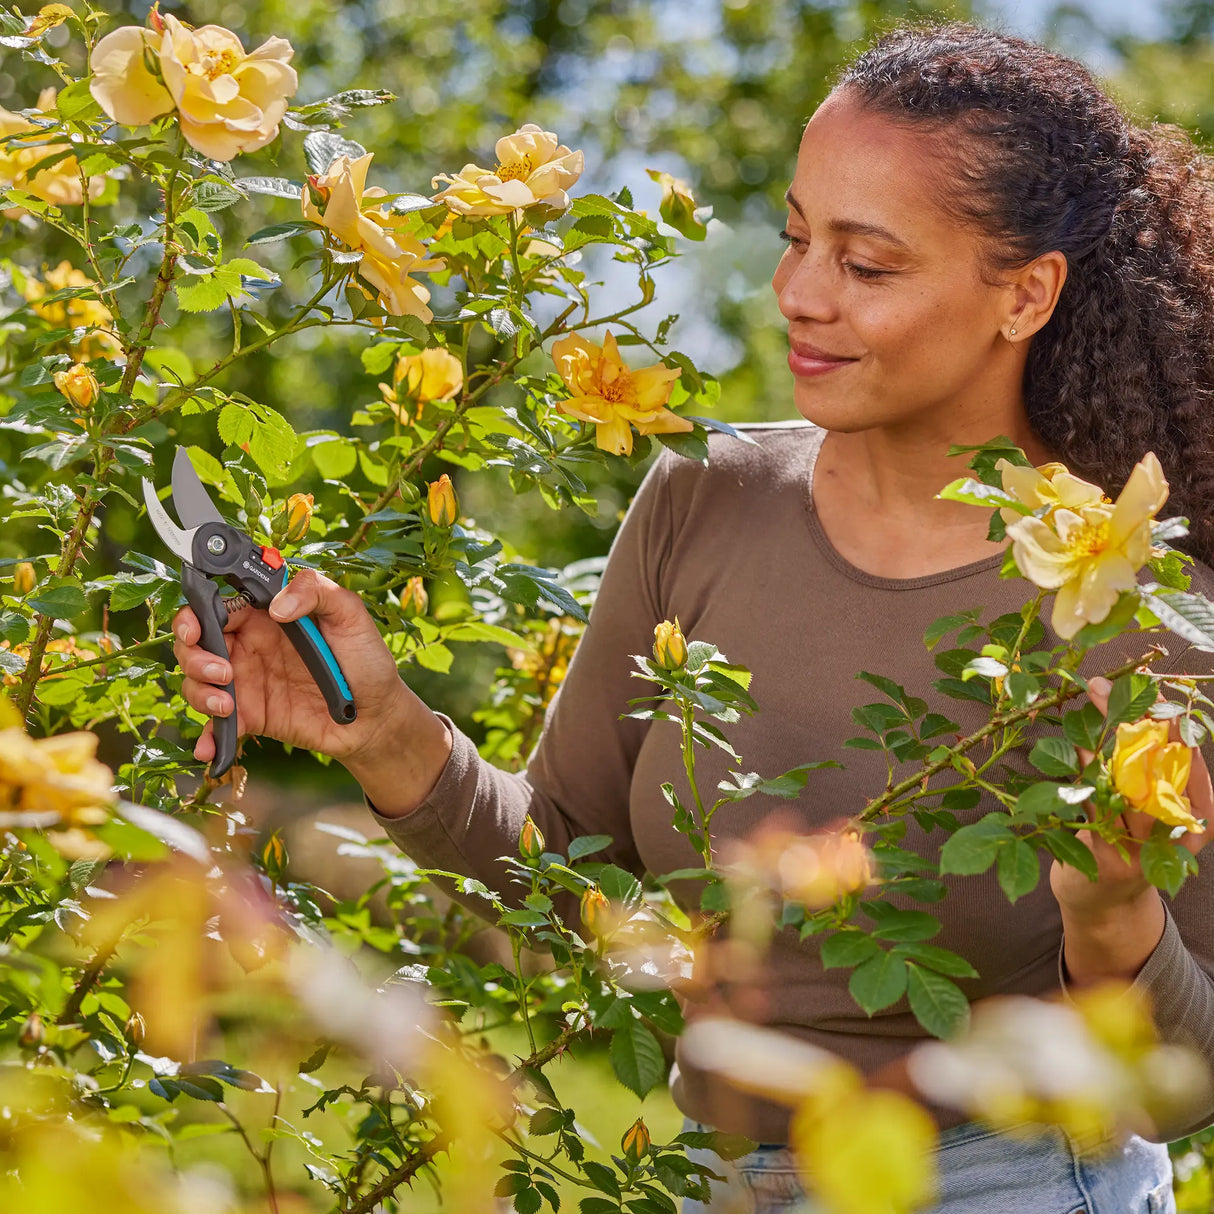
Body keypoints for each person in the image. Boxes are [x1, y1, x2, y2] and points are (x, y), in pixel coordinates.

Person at [172, 22, 1214, 1214]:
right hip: (710, 1177)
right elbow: (570, 864)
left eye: (865, 266)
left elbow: (1180, 1089)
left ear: (1025, 293)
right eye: (793, 236)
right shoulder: (706, 496)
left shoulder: (1140, 608)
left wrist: (1114, 918)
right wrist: (382, 727)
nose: (795, 294)